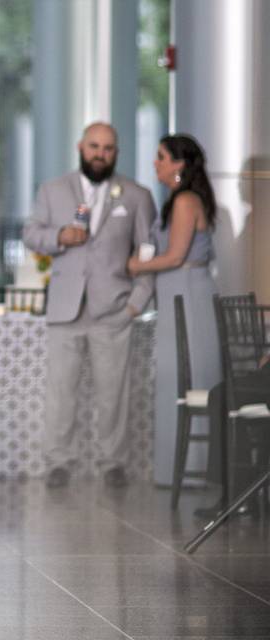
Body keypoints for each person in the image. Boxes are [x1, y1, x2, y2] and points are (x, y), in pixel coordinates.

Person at [22, 122, 156, 489]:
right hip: (65, 308)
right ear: (81, 147)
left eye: (108, 148)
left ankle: (114, 462)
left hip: (112, 310)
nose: (100, 154)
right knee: (60, 391)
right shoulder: (52, 190)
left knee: (114, 391)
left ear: (117, 152)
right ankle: (57, 463)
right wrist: (59, 236)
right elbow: (30, 234)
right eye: (94, 146)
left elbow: (148, 253)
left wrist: (135, 306)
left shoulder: (136, 195)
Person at [126, 135, 221, 487]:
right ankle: (176, 469)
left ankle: (195, 470)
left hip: (188, 294)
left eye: (161, 157)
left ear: (179, 164)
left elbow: (176, 256)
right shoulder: (177, 200)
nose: (156, 163)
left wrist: (137, 266)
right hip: (174, 293)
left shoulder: (185, 202)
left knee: (188, 374)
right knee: (174, 376)